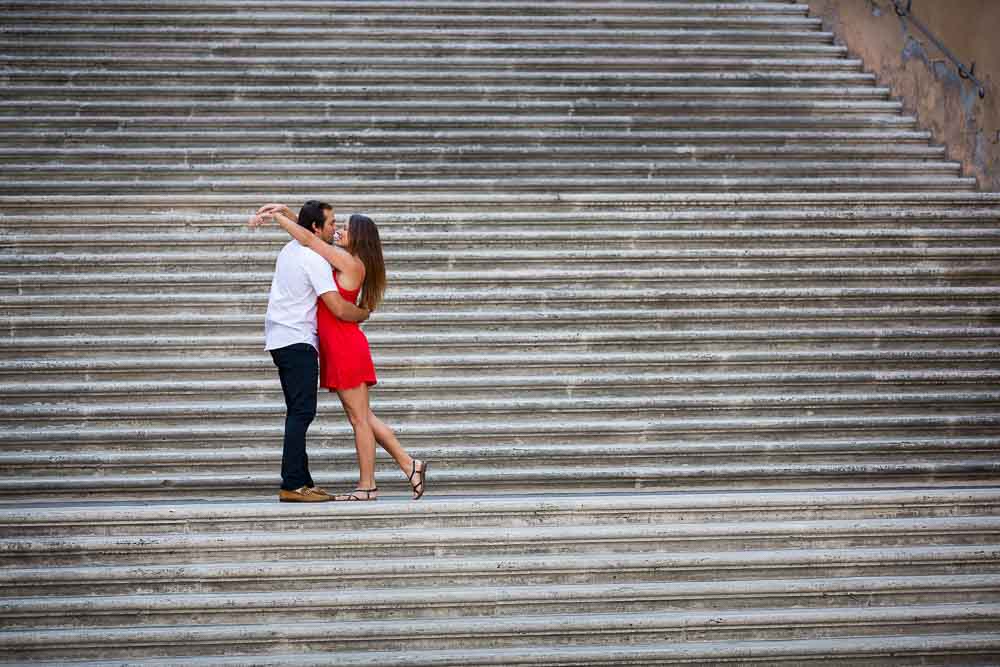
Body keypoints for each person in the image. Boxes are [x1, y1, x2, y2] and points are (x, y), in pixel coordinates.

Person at [254, 202, 428, 502]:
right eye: (336, 224)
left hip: (345, 345)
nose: (339, 230)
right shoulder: (342, 258)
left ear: (359, 237)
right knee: (363, 416)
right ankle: (408, 464)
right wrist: (294, 216)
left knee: (360, 419)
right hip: (335, 344)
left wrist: (278, 218)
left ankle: (368, 486)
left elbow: (311, 238)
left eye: (346, 228)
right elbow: (313, 234)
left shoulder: (349, 263)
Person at [251, 200, 371, 503]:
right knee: (302, 412)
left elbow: (305, 232)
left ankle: (302, 480)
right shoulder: (313, 258)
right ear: (316, 228)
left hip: (281, 338)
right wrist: (363, 313)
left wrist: (286, 214)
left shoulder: (291, 248)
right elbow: (337, 307)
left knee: (298, 411)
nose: (335, 228)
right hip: (298, 340)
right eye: (331, 223)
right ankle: (292, 483)